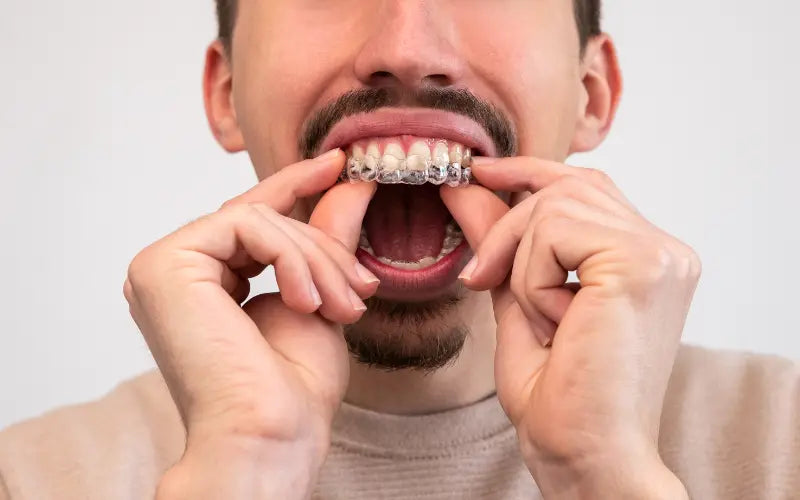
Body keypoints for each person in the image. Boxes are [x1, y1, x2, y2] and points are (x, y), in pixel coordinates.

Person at [1, 1, 798, 498]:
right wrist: (244, 470)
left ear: (592, 93)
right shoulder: (29, 479)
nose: (409, 47)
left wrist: (605, 474)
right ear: (227, 93)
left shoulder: (782, 444)